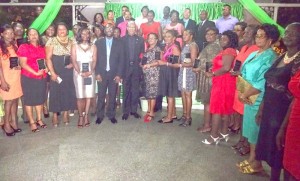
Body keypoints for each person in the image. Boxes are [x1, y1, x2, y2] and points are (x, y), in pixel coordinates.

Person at [255, 23, 300, 180]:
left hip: (284, 112)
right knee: (272, 153)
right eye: (286, 33)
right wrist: (261, 108)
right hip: (270, 110)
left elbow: (296, 95)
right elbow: (269, 85)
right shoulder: (282, 55)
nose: (287, 36)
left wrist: (284, 126)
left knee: (282, 151)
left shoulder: (298, 61)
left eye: (292, 34)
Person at [236, 24, 279, 174]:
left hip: (258, 99)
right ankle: (252, 159)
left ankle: (257, 162)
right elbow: (244, 70)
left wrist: (246, 93)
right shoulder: (255, 53)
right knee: (250, 129)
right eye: (257, 35)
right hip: (248, 96)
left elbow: (262, 82)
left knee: (256, 130)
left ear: (270, 40)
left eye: (262, 36)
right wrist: (243, 91)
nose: (258, 38)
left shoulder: (270, 56)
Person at [201, 30, 238, 145]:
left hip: (223, 83)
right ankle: (224, 132)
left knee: (216, 109)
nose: (222, 40)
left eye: (225, 39)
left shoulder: (229, 51)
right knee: (225, 109)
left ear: (230, 40)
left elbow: (226, 67)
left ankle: (214, 136)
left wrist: (212, 73)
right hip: (225, 82)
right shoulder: (228, 51)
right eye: (221, 38)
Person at [230, 25, 259, 156]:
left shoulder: (257, 49)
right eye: (245, 32)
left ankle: (247, 143)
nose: (245, 34)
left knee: (247, 116)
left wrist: (240, 72)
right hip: (240, 84)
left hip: (249, 87)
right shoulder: (244, 47)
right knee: (240, 115)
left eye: (248, 32)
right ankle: (241, 140)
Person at [45, 22, 77, 127]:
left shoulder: (72, 40)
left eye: (63, 29)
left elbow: (74, 56)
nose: (62, 31)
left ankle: (66, 113)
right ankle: (54, 114)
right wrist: (52, 73)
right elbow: (48, 58)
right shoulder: (51, 41)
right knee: (55, 92)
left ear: (67, 30)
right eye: (59, 29)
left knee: (68, 91)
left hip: (67, 70)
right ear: (56, 31)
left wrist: (73, 64)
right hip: (56, 68)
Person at [18, 28, 48, 133]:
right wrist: (35, 73)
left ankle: (39, 119)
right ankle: (32, 122)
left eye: (35, 34)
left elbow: (44, 61)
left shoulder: (41, 47)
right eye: (31, 34)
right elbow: (23, 64)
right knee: (29, 100)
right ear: (28, 37)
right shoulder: (24, 47)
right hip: (29, 77)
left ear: (38, 36)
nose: (33, 36)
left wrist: (46, 68)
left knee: (40, 99)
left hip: (41, 77)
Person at [94, 23, 124, 124]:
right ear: (105, 30)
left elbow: (121, 61)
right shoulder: (98, 43)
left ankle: (111, 115)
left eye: (111, 28)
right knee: (101, 96)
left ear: (113, 30)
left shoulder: (119, 43)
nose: (109, 30)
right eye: (107, 28)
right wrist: (97, 73)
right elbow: (95, 60)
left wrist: (119, 75)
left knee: (112, 96)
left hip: (114, 74)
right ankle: (100, 116)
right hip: (101, 74)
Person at [194, 27, 222, 133]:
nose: (209, 36)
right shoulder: (210, 45)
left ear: (216, 35)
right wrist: (196, 67)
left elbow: (210, 63)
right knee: (208, 102)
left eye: (212, 34)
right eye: (207, 34)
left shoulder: (215, 46)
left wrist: (198, 67)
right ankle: (208, 123)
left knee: (208, 103)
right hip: (206, 77)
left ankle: (207, 125)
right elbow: (200, 59)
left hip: (209, 79)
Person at [71, 27, 97, 128]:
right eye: (83, 34)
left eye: (87, 34)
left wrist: (91, 71)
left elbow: (94, 60)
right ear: (79, 35)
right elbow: (73, 60)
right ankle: (80, 116)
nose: (85, 36)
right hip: (78, 73)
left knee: (88, 96)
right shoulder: (75, 46)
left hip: (90, 72)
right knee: (80, 96)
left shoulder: (93, 46)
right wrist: (80, 72)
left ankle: (86, 115)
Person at [0, 24, 23, 136]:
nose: (9, 35)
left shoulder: (14, 45)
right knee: (8, 101)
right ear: (2, 34)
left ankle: (14, 122)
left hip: (16, 77)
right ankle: (6, 124)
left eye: (11, 33)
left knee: (15, 100)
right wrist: (2, 81)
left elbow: (16, 60)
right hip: (6, 78)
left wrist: (19, 66)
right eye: (7, 33)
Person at [121, 21, 144, 120]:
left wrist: (141, 63)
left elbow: (142, 54)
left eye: (133, 27)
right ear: (127, 28)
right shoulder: (121, 40)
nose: (131, 29)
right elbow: (120, 56)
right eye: (130, 27)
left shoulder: (140, 40)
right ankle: (126, 111)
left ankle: (134, 110)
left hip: (136, 68)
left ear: (136, 29)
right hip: (125, 68)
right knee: (126, 90)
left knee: (135, 90)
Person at [157, 30, 181, 123]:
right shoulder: (167, 47)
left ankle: (169, 117)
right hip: (166, 72)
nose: (166, 38)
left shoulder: (174, 48)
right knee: (168, 95)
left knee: (170, 95)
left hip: (171, 73)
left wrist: (164, 63)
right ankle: (173, 114)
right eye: (165, 36)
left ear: (174, 38)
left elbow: (176, 64)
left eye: (169, 36)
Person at [178, 29, 198, 127]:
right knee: (183, 93)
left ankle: (188, 117)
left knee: (187, 94)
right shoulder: (185, 45)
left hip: (189, 72)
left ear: (191, 35)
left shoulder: (193, 46)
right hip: (183, 71)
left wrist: (181, 65)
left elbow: (194, 62)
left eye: (186, 34)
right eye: (183, 34)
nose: (184, 36)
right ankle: (184, 114)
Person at [142, 33, 161, 122]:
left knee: (152, 93)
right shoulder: (147, 49)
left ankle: (152, 113)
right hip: (147, 74)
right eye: (149, 38)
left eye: (153, 38)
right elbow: (144, 60)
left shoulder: (157, 49)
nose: (150, 39)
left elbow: (158, 62)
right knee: (149, 92)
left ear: (156, 40)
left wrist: (149, 65)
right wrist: (142, 64)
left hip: (154, 74)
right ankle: (149, 110)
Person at [41, 24, 55, 119]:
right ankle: (45, 107)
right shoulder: (41, 39)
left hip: (54, 67)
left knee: (54, 88)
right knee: (45, 89)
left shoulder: (56, 39)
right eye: (48, 29)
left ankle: (54, 107)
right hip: (45, 67)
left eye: (52, 29)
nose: (50, 30)